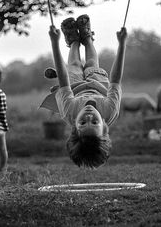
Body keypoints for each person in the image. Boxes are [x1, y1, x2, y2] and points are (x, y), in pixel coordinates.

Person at [40, 14, 127, 168]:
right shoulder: (110, 110)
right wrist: (122, 44)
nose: (88, 116)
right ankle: (87, 39)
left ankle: (73, 41)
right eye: (94, 122)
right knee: (92, 62)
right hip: (99, 86)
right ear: (104, 126)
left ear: (74, 126)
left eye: (82, 122)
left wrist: (55, 42)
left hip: (75, 89)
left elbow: (64, 80)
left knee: (73, 64)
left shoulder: (69, 111)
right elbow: (115, 80)